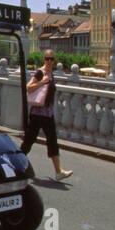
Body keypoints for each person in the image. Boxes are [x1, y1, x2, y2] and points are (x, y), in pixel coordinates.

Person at [20, 50, 73, 180]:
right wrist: (43, 82)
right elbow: (29, 87)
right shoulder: (40, 72)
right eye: (47, 58)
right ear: (43, 60)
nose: (49, 61)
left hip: (48, 113)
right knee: (29, 140)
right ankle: (16, 165)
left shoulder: (51, 73)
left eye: (51, 59)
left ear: (54, 60)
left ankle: (59, 172)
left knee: (52, 141)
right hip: (37, 113)